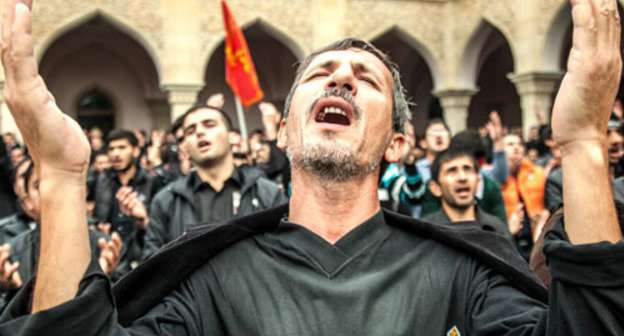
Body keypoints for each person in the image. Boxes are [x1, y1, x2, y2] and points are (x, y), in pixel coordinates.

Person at [1, 2, 624, 336]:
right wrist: (58, 179)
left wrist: (585, 144)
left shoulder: (461, 274)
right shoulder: (211, 278)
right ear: (283, 127)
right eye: (322, 74)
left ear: (399, 144)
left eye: (367, 79)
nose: (343, 76)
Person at [134, 104, 287, 260]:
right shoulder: (166, 200)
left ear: (232, 137)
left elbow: (284, 254)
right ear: (185, 146)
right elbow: (153, 265)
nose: (200, 132)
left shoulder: (266, 193)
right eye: (191, 131)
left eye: (209, 125)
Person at [0, 162, 123, 312]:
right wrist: (14, 291)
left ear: (82, 192)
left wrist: (105, 281)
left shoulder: (106, 248)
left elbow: (124, 311)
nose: (51, 192)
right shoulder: (11, 255)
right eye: (39, 185)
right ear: (27, 202)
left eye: (60, 183)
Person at [93, 130, 163, 275]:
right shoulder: (101, 181)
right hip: (110, 257)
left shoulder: (151, 181)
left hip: (141, 258)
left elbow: (160, 226)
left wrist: (143, 221)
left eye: (122, 147)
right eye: (111, 149)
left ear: (136, 151)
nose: (116, 154)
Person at [423, 148, 512, 241]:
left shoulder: (497, 229)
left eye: (467, 169)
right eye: (452, 171)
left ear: (478, 183)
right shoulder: (426, 233)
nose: (462, 177)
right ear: (435, 188)